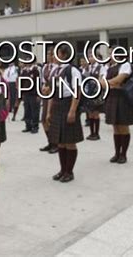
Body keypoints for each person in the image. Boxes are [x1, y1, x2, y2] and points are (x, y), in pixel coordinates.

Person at [46, 45, 83, 183]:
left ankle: (69, 171)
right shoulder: (55, 70)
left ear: (64, 54)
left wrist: (72, 111)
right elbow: (51, 92)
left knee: (69, 142)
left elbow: (77, 92)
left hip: (68, 105)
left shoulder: (72, 71)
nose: (53, 56)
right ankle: (62, 170)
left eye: (56, 54)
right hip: (57, 105)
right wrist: (49, 111)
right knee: (60, 142)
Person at [101, 47, 133, 164]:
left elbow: (119, 80)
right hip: (112, 96)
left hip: (123, 98)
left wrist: (109, 83)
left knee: (123, 126)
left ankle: (123, 154)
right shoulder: (109, 67)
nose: (110, 56)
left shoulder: (125, 65)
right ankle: (116, 153)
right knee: (115, 126)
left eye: (111, 53)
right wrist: (111, 83)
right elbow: (101, 82)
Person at [40, 48, 58, 153]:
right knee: (44, 120)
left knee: (51, 119)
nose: (49, 56)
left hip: (54, 96)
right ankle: (50, 141)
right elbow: (44, 81)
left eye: (51, 54)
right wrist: (43, 88)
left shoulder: (56, 68)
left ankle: (56, 144)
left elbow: (56, 82)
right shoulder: (45, 67)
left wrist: (49, 88)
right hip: (46, 96)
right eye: (47, 54)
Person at [85, 52, 107, 141]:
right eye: (89, 57)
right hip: (89, 92)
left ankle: (97, 133)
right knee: (90, 113)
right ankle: (91, 132)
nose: (90, 58)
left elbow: (101, 78)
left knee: (96, 113)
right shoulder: (89, 68)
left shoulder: (101, 67)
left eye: (92, 57)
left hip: (97, 91)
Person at [20, 61, 40, 134]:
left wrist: (38, 94)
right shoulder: (24, 71)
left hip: (33, 93)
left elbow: (38, 82)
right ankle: (28, 126)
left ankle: (35, 126)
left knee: (34, 111)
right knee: (27, 110)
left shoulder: (35, 70)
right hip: (26, 93)